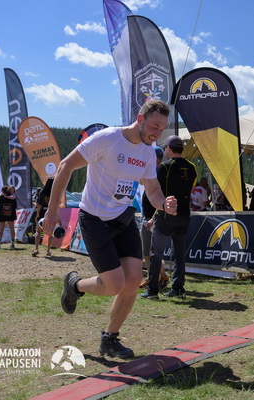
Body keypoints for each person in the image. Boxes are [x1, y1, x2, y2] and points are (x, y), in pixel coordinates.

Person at [43, 99, 177, 359]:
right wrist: (52, 209)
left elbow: (152, 190)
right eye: (154, 126)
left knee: (134, 280)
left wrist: (164, 204)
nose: (157, 133)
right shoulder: (107, 139)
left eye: (162, 129)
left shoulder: (148, 152)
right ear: (140, 119)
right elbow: (65, 166)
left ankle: (110, 339)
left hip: (123, 218)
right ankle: (75, 285)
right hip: (94, 218)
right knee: (114, 284)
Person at [141, 135, 197, 299]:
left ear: (169, 149)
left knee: (156, 252)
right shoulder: (192, 167)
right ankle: (178, 288)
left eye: (165, 148)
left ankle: (152, 290)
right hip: (184, 214)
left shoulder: (165, 166)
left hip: (165, 214)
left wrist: (152, 217)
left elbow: (155, 191)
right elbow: (190, 189)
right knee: (179, 253)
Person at [139, 146, 170, 290]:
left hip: (151, 218)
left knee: (149, 252)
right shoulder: (152, 171)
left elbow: (160, 198)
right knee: (147, 252)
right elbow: (141, 181)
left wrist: (153, 218)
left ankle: (160, 277)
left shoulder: (158, 173)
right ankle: (153, 277)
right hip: (147, 216)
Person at [33, 179, 53, 257]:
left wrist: (37, 214)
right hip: (50, 213)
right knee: (50, 233)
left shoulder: (42, 192)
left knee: (38, 231)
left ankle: (36, 249)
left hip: (42, 213)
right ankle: (48, 250)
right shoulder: (54, 192)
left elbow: (39, 205)